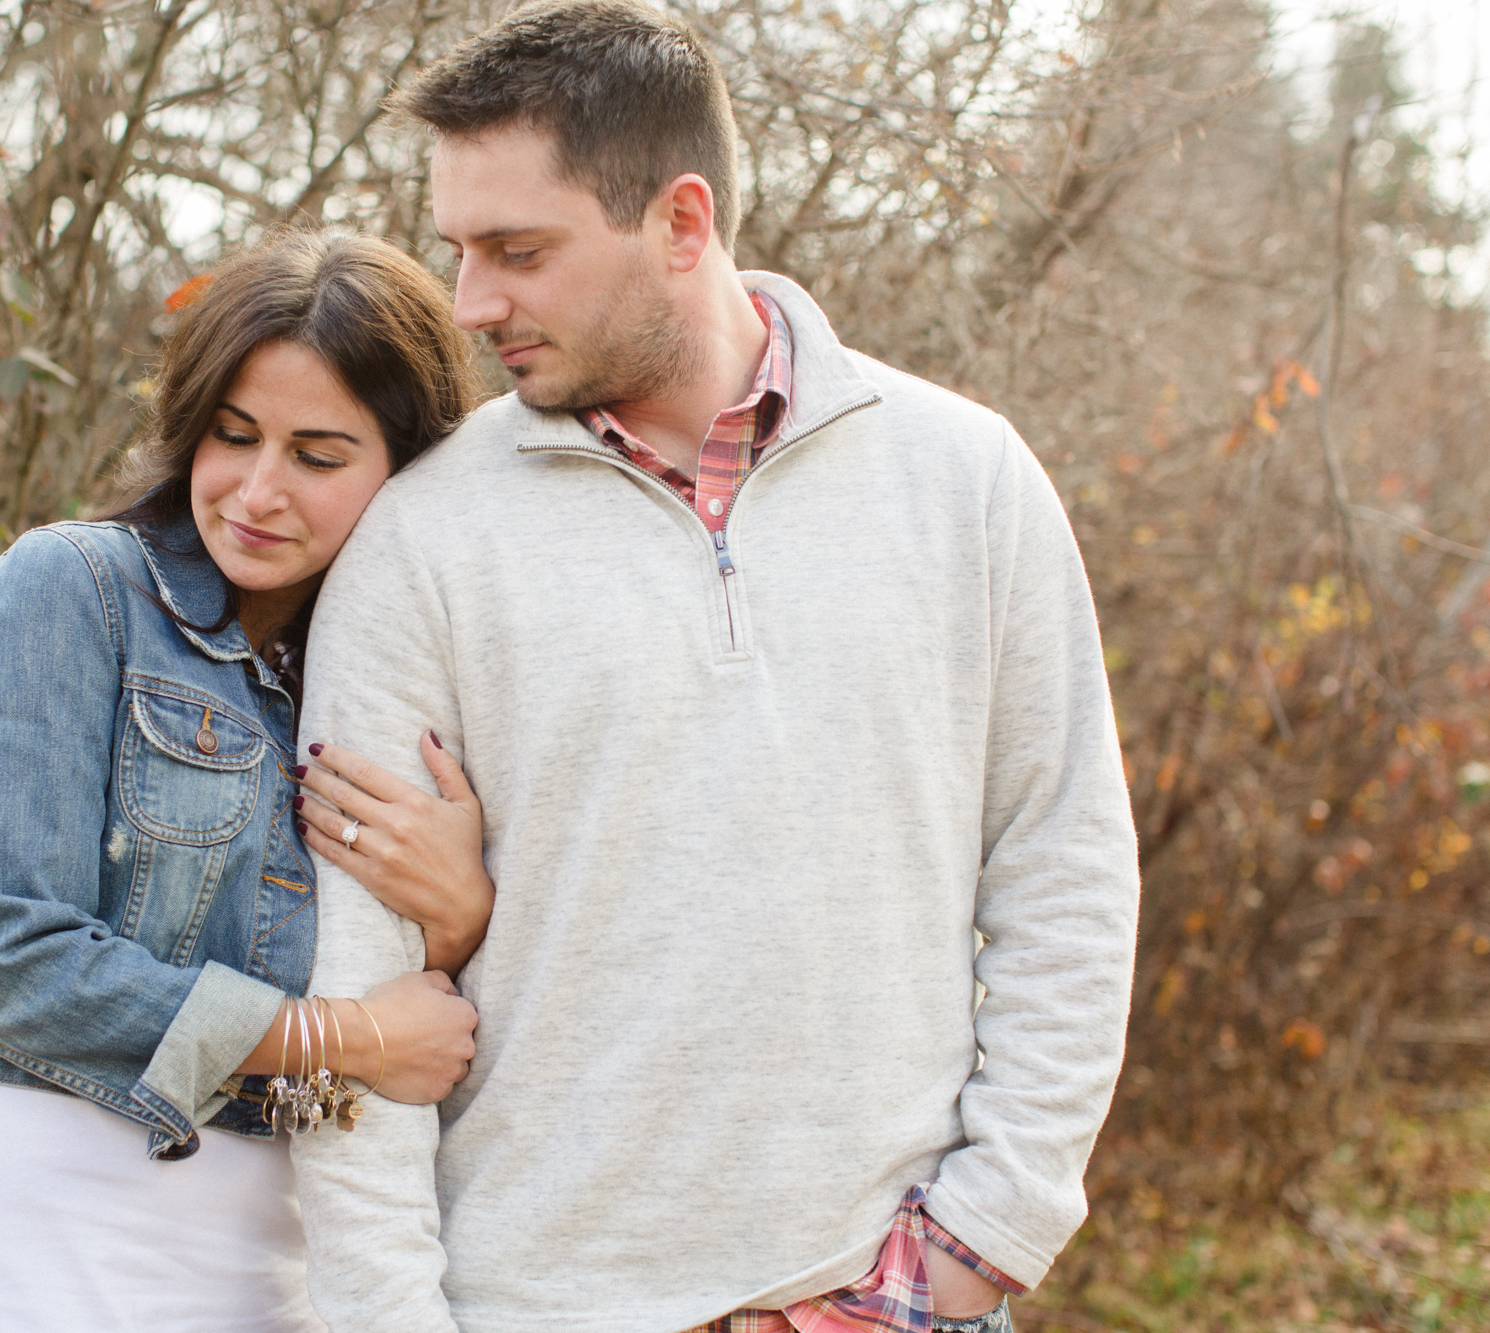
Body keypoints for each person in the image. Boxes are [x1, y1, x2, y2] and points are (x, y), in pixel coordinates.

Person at [285, 4, 1142, 1331]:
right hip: (537, 1301)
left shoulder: (967, 482)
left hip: (881, 1295)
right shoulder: (422, 540)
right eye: (459, 251)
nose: (470, 303)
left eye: (518, 250)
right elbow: (353, 989)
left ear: (684, 224)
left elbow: (1064, 861)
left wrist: (991, 1229)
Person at [0, 232, 491, 1333]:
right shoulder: (72, 591)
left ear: (403, 473)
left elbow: (427, 1026)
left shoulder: (390, 683)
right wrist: (334, 1037)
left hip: (288, 1233)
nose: (259, 491)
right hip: (44, 1200)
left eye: (317, 455)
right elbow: (15, 964)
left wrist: (459, 915)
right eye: (233, 434)